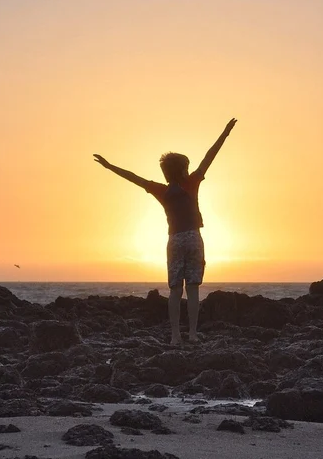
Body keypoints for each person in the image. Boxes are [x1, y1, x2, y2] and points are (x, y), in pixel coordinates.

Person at [93, 118, 238, 344]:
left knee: (174, 290)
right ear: (183, 171)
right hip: (193, 238)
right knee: (192, 288)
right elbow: (210, 156)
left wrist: (110, 166)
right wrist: (225, 133)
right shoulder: (192, 183)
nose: (190, 170)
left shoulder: (161, 190)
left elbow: (133, 177)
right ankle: (191, 333)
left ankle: (174, 336)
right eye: (187, 167)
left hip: (174, 240)